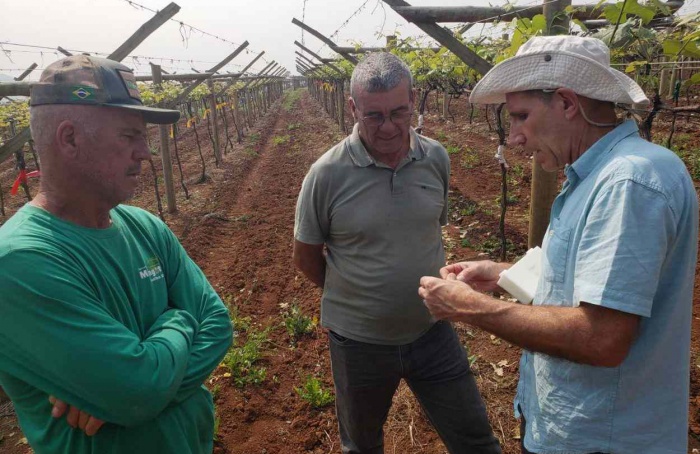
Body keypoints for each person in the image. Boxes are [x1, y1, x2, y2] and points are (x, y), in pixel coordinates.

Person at [419, 36, 698, 454]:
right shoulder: (597, 176)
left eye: (521, 117)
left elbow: (601, 337)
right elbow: (583, 280)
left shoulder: (628, 183)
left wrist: (468, 308)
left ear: (568, 103)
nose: (514, 138)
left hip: (603, 438)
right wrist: (503, 275)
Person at [0, 55, 233, 453]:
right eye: (129, 136)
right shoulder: (21, 262)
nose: (146, 152)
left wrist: (131, 398)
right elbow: (138, 390)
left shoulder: (145, 226)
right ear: (69, 138)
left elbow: (217, 324)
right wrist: (179, 319)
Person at [293, 52, 501, 454]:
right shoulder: (326, 174)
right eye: (373, 116)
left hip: (433, 331)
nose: (388, 127)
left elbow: (426, 233)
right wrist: (357, 294)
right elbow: (304, 257)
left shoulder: (436, 158)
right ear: (352, 107)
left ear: (413, 101)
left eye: (398, 112)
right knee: (362, 445)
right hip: (358, 344)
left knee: (476, 440)